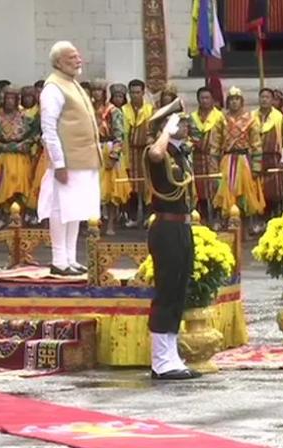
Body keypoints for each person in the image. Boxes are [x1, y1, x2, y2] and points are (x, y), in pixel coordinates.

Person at [143, 109, 200, 381]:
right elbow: (155, 154)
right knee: (166, 291)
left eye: (185, 122)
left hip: (182, 226)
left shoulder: (180, 154)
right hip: (165, 227)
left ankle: (171, 355)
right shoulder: (157, 152)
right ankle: (160, 360)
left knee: (179, 290)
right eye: (178, 122)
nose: (184, 126)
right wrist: (165, 129)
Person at [38, 41, 102, 276]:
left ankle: (71, 259)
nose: (78, 60)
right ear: (58, 63)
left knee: (76, 210)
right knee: (60, 209)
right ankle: (58, 260)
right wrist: (58, 163)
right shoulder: (53, 88)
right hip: (67, 160)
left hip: (84, 159)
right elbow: (49, 129)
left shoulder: (72, 83)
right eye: (71, 58)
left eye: (78, 56)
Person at [211, 86, 265, 236]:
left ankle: (250, 224)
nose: (234, 103)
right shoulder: (221, 119)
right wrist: (214, 167)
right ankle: (223, 223)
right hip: (227, 160)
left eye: (237, 99)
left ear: (241, 102)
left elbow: (256, 144)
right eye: (231, 100)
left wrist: (256, 166)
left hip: (244, 160)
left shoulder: (251, 120)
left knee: (248, 193)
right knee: (225, 191)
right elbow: (215, 144)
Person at [0, 85, 36, 228]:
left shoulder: (26, 117)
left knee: (20, 186)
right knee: (1, 185)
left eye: (13, 98)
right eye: (7, 98)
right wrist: (2, 146)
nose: (10, 102)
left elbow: (33, 135)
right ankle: (2, 215)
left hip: (20, 157)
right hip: (3, 156)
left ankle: (20, 215)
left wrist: (23, 144)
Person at [92, 80, 130, 236]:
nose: (96, 93)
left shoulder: (112, 110)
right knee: (92, 188)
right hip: (91, 148)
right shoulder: (87, 108)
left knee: (110, 190)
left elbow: (119, 134)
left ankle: (110, 223)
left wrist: (115, 152)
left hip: (107, 148)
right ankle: (94, 222)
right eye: (93, 90)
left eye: (99, 90)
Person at [254, 88, 283, 230]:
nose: (264, 100)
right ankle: (261, 220)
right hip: (257, 158)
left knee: (275, 192)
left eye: (267, 97)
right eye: (262, 96)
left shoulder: (281, 118)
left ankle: (276, 221)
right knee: (259, 190)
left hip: (274, 157)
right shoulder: (252, 117)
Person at [188, 87, 224, 224]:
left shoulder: (219, 116)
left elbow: (224, 137)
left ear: (212, 100)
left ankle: (216, 218)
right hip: (197, 158)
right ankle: (200, 218)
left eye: (207, 98)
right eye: (202, 98)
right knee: (199, 188)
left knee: (215, 187)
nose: (204, 101)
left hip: (214, 157)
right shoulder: (192, 118)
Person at [121, 79, 154, 226]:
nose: (135, 95)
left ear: (143, 92)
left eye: (138, 92)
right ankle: (133, 217)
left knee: (147, 184)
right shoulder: (123, 110)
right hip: (129, 151)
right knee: (130, 185)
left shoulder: (150, 109)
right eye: (132, 93)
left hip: (145, 152)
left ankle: (148, 216)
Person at [23, 85, 46, 226]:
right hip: (40, 151)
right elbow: (34, 132)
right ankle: (35, 214)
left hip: (55, 153)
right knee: (36, 181)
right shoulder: (40, 114)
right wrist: (38, 139)